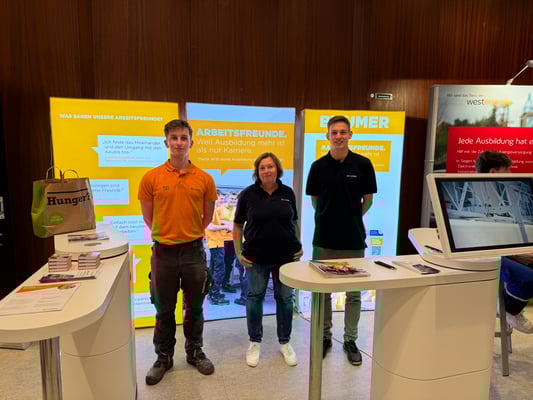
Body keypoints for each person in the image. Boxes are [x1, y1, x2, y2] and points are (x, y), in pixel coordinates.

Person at [138, 119, 218, 385]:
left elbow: (207, 217)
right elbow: (149, 218)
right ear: (166, 142)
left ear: (191, 142)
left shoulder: (205, 179)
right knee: (163, 310)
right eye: (174, 138)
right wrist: (170, 236)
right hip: (163, 254)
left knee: (195, 308)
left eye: (184, 138)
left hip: (194, 252)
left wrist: (188, 234)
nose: (179, 143)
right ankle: (163, 358)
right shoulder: (151, 178)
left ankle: (195, 353)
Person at [305, 115, 377, 366]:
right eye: (334, 132)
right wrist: (329, 218)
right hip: (323, 239)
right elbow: (315, 201)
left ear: (350, 135)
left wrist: (352, 217)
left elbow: (368, 200)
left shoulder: (363, 164)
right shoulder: (317, 167)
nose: (338, 136)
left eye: (343, 132)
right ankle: (325, 337)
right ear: (327, 136)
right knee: (323, 292)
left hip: (353, 239)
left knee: (353, 293)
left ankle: (350, 340)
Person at [233, 152, 303, 367]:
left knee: (285, 298)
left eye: (270, 166)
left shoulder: (288, 193)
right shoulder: (248, 194)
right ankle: (254, 342)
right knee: (255, 297)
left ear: (277, 169)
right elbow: (237, 226)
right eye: (262, 167)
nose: (266, 171)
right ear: (257, 171)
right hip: (256, 256)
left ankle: (285, 342)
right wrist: (238, 252)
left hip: (285, 257)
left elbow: (294, 221)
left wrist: (298, 244)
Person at [475, 150, 533, 333]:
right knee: (527, 278)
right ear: (493, 172)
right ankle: (509, 308)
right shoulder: (477, 195)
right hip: (481, 255)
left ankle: (512, 304)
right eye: (507, 169)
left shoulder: (502, 193)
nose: (510, 173)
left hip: (504, 249)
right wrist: (516, 254)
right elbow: (478, 242)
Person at [205, 190, 231, 305]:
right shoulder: (210, 209)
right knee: (219, 270)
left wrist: (223, 224)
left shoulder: (213, 210)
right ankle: (214, 296)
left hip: (218, 242)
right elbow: (210, 227)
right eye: (220, 198)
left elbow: (214, 224)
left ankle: (212, 293)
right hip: (215, 243)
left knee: (214, 269)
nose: (222, 201)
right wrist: (226, 227)